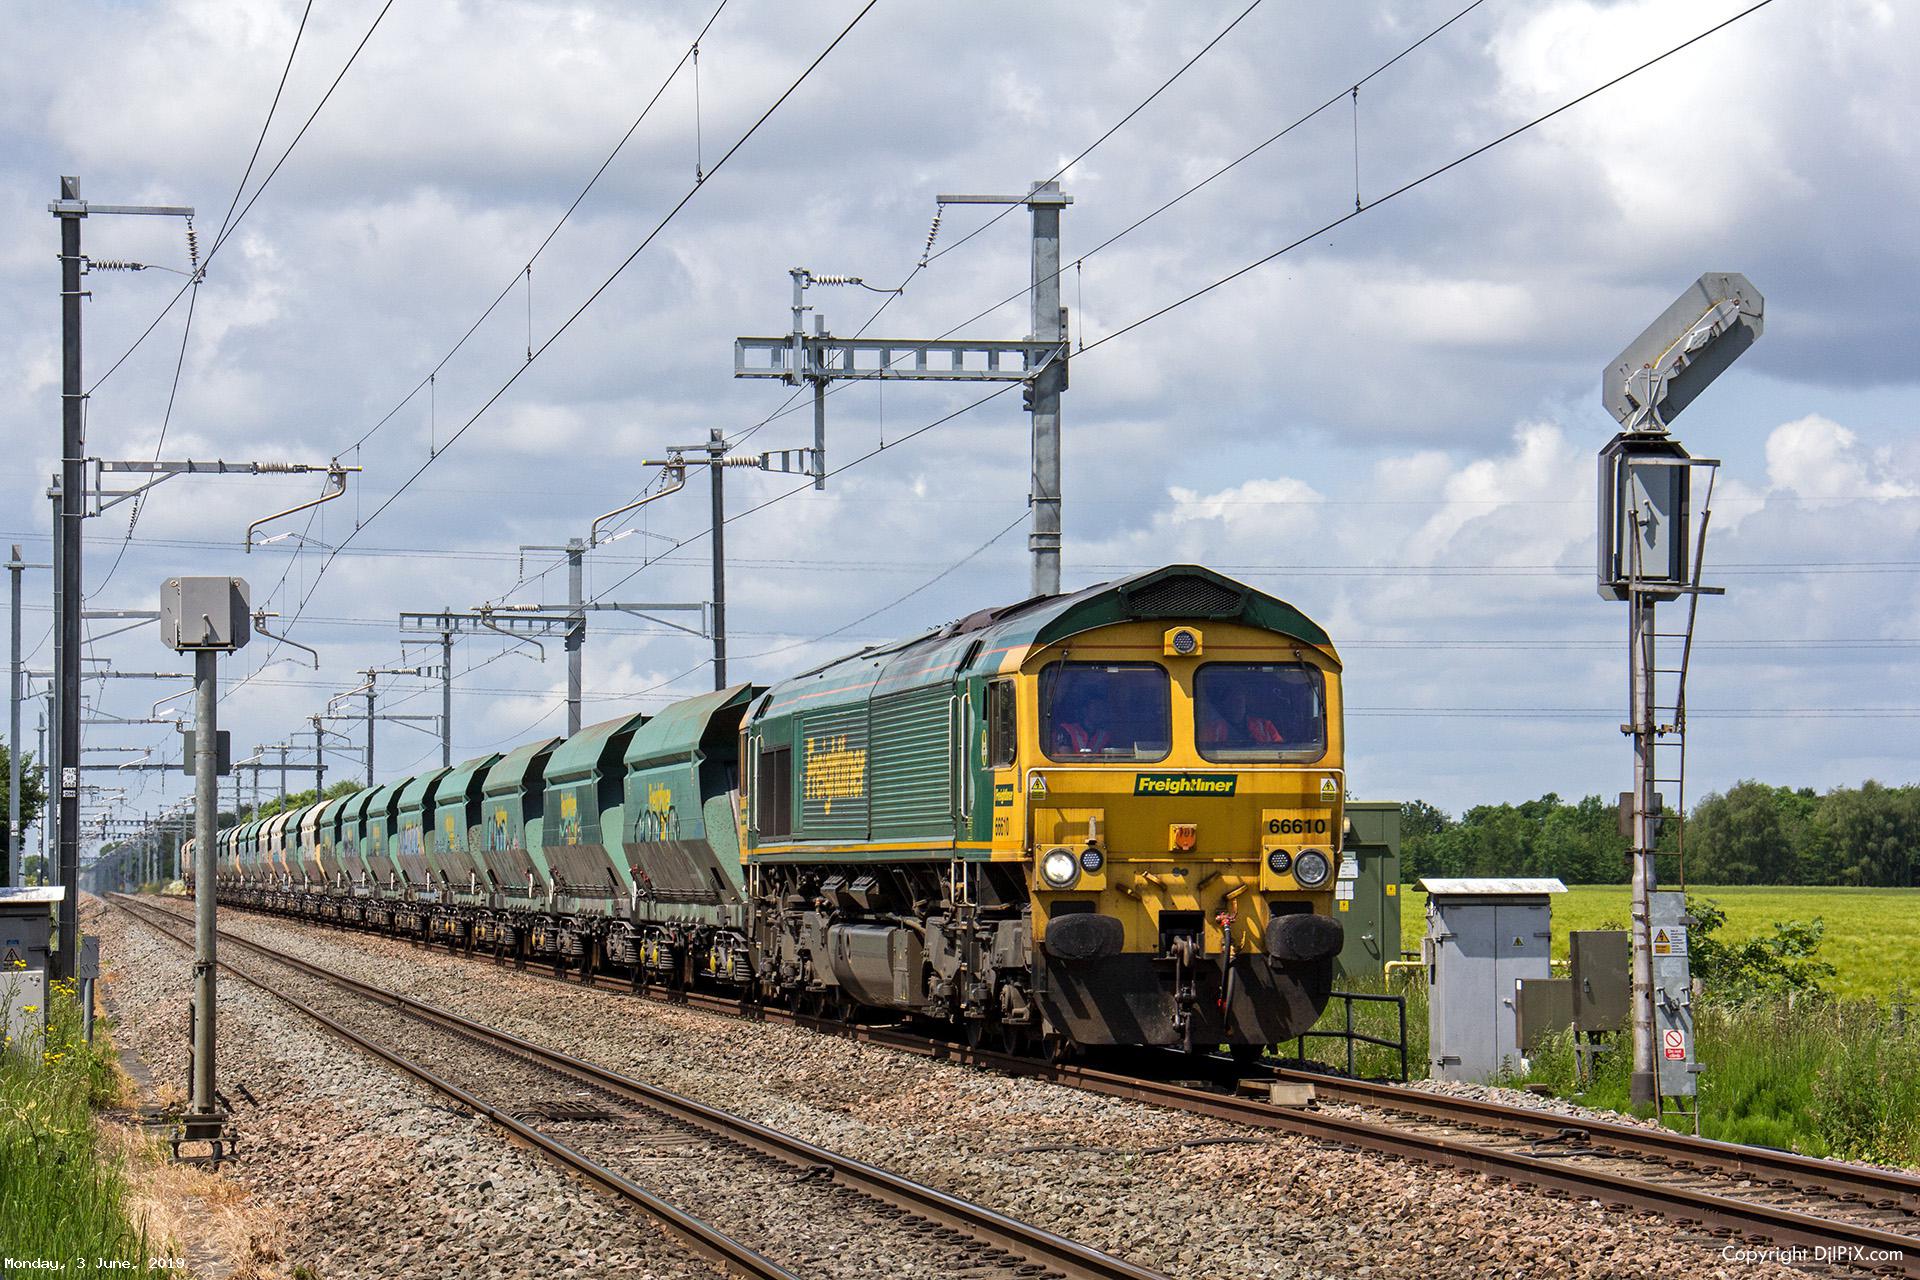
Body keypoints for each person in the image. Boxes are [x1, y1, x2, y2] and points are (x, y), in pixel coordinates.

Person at [1199, 682, 1282, 749]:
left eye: (1239, 700)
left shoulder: (1265, 726)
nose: (1237, 705)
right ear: (1224, 704)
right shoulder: (1213, 728)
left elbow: (1279, 749)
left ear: (1245, 703)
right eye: (1232, 701)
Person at [1051, 682, 1113, 755]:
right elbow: (1065, 756)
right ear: (1085, 710)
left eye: (1102, 708)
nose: (1099, 712)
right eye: (1096, 708)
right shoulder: (1067, 730)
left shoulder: (1104, 736)